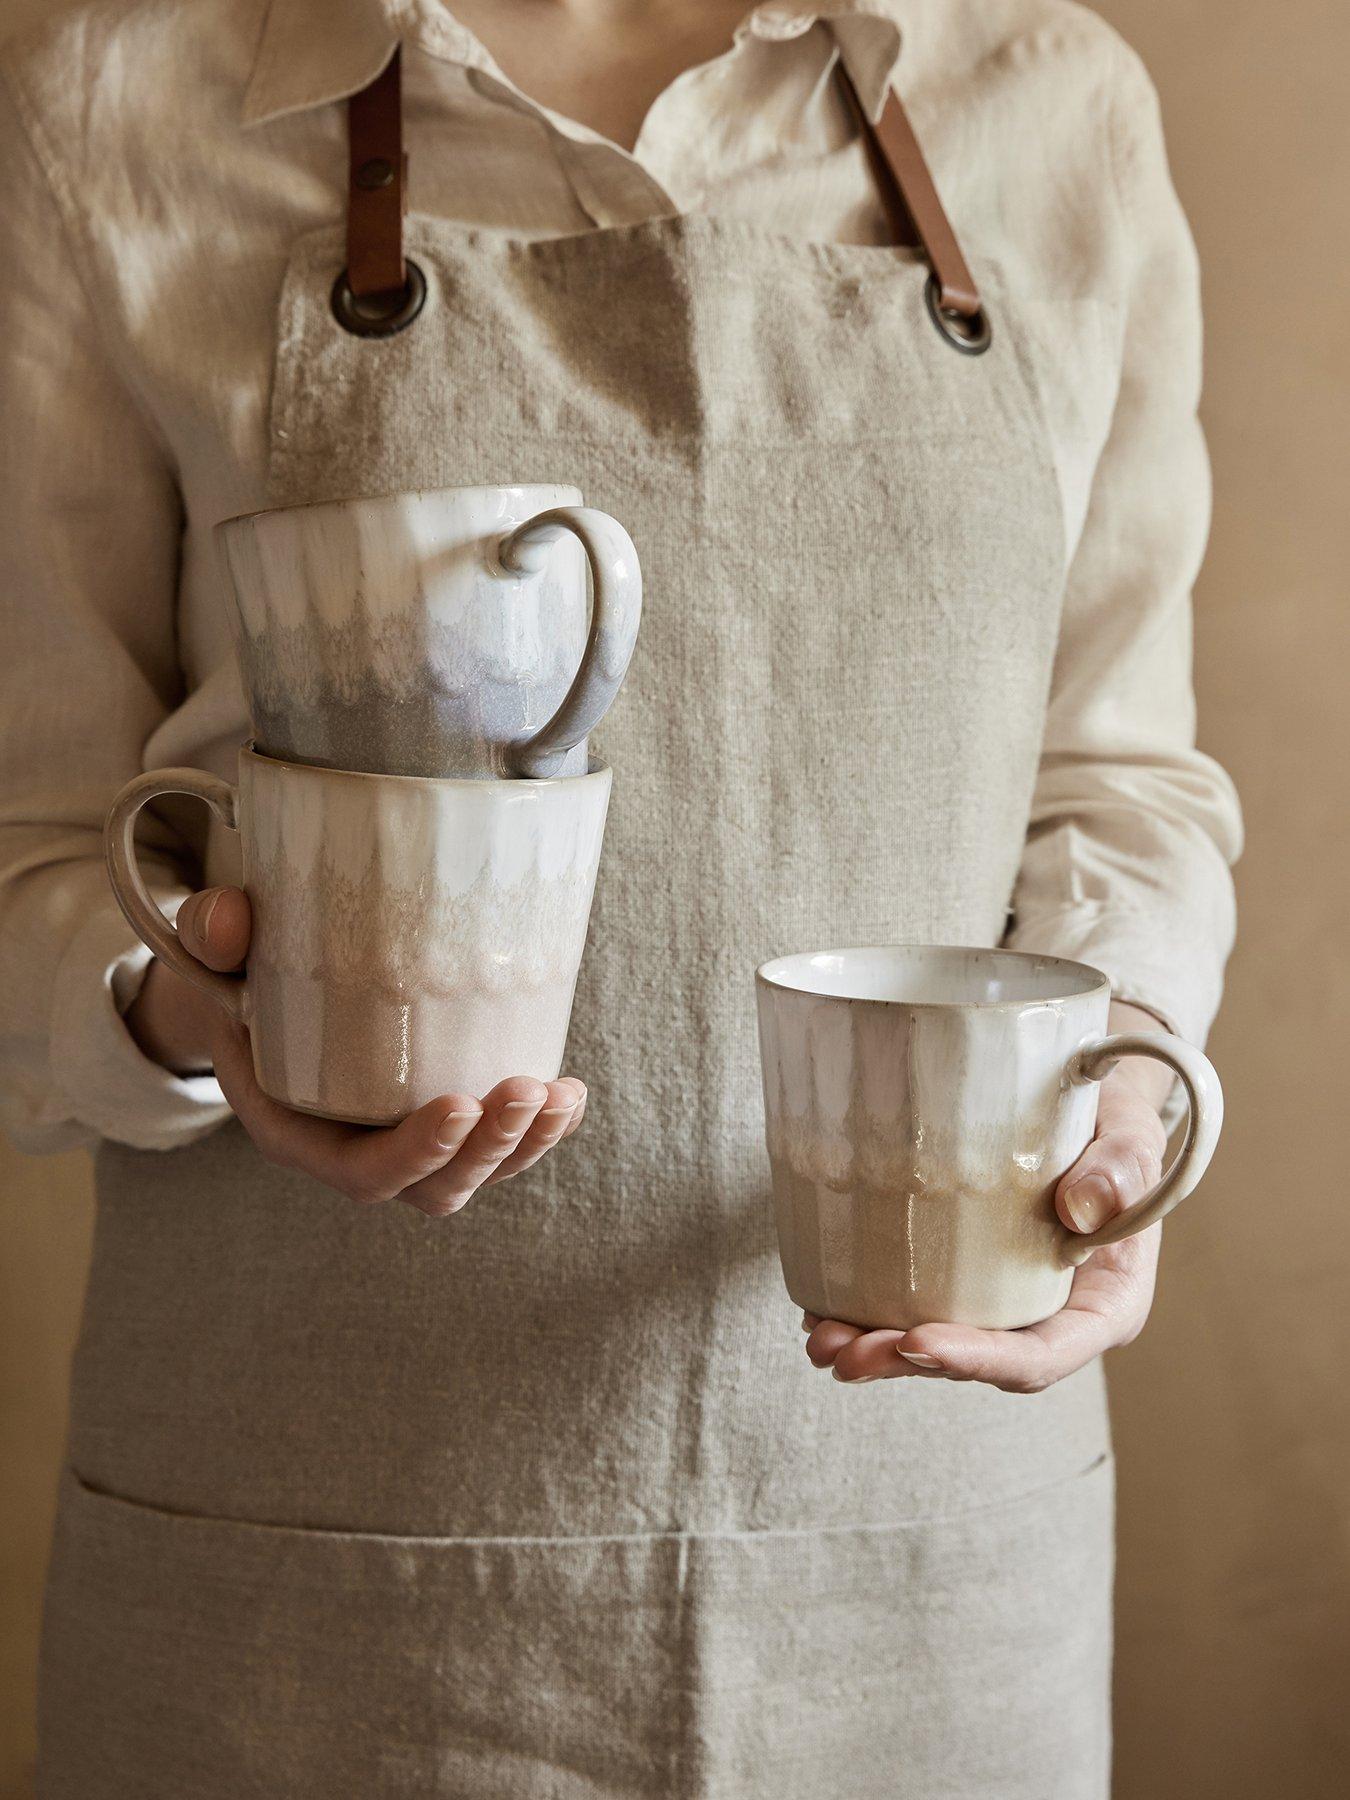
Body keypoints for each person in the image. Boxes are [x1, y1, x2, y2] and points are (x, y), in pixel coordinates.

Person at [0, 1, 1241, 1794]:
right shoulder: (120, 109)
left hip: (918, 1563)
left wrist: (1120, 1088)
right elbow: (36, 843)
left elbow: (1114, 781)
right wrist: (201, 1011)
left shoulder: (1042, 99)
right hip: (312, 1578)